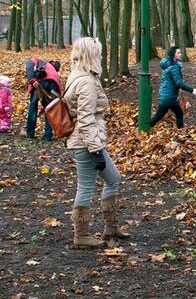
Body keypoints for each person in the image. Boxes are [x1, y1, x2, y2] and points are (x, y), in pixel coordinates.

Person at [64, 37, 126, 248]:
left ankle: (110, 228)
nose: (101, 56)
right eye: (99, 52)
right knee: (86, 187)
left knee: (113, 178)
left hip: (87, 142)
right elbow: (86, 120)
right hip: (87, 144)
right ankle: (81, 236)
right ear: (91, 55)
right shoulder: (86, 82)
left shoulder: (79, 76)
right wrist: (97, 150)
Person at [150, 45, 196, 128]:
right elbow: (179, 83)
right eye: (178, 53)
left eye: (180, 52)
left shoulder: (169, 64)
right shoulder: (174, 66)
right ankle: (144, 128)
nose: (180, 54)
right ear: (173, 54)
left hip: (167, 95)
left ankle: (181, 131)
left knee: (178, 113)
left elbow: (173, 81)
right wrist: (192, 90)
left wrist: (179, 90)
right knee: (159, 116)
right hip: (168, 97)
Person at [24, 57, 62, 140]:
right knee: (50, 108)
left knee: (33, 106)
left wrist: (32, 80)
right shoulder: (54, 71)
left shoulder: (35, 60)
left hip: (41, 82)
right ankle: (48, 135)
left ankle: (30, 133)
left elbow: (29, 65)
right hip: (53, 84)